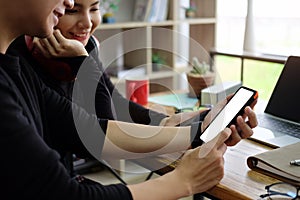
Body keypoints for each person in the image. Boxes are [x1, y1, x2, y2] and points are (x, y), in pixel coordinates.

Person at [1, 0, 258, 200]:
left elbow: (92, 130)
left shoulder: (12, 68)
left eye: (94, 7)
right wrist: (183, 181)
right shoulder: (17, 70)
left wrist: (196, 129)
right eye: (74, 7)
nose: (69, 4)